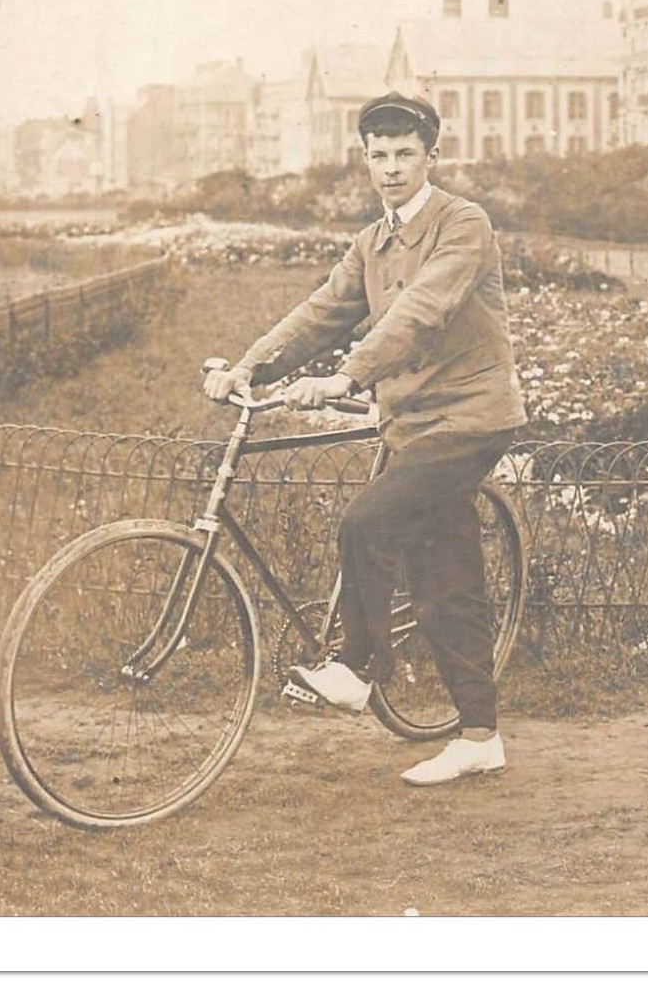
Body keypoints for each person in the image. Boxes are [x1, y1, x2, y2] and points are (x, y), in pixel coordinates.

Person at [203, 92, 526, 787]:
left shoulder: (462, 224)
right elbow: (320, 312)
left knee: (367, 520)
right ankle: (479, 737)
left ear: (431, 156)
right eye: (377, 156)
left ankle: (356, 668)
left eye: (404, 154)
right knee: (446, 581)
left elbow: (421, 309)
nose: (389, 168)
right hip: (412, 424)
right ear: (365, 160)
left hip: (469, 417)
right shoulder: (371, 241)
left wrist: (347, 376)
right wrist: (247, 367)